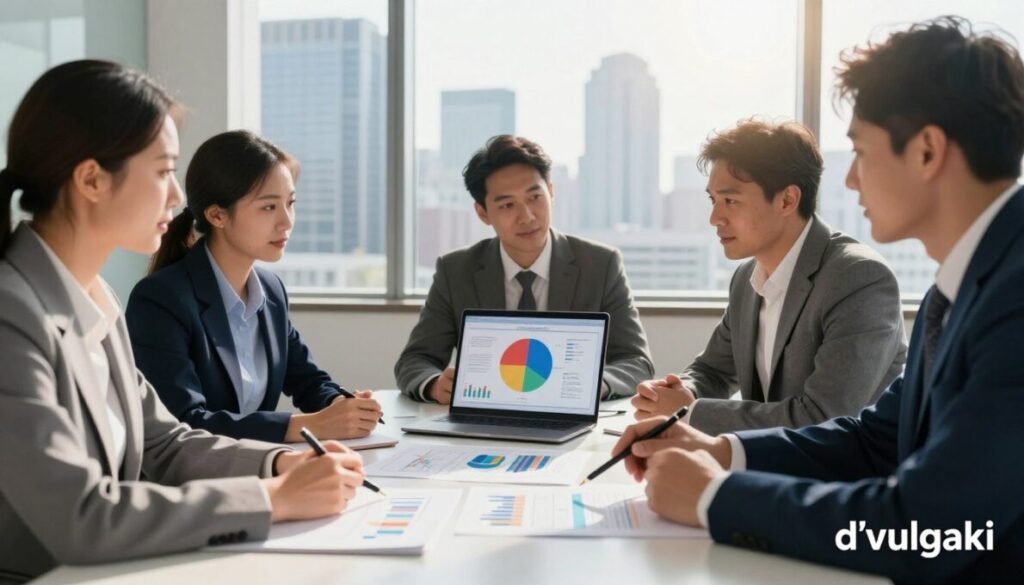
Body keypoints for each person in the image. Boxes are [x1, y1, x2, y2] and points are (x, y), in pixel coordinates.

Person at [615, 17, 1024, 582]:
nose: (851, 181)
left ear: (927, 151)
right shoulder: (953, 293)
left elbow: (931, 528)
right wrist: (721, 450)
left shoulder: (1014, 299)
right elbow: (872, 440)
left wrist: (716, 499)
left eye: (860, 151)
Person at [0, 60, 364, 581]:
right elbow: (79, 517)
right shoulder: (12, 313)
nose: (176, 198)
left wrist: (279, 464)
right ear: (91, 179)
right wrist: (272, 498)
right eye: (163, 170)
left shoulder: (96, 296)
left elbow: (165, 442)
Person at [631, 120, 907, 435]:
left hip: (844, 476)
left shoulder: (858, 278)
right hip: (769, 464)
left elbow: (824, 417)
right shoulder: (747, 279)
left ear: (787, 200)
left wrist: (691, 412)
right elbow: (714, 371)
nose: (714, 218)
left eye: (730, 201)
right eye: (713, 200)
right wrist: (677, 393)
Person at [126, 130, 382, 443]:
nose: (286, 222)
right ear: (217, 215)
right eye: (268, 207)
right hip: (192, 482)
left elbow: (308, 380)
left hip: (255, 471)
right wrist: (311, 426)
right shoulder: (161, 299)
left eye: (290, 203)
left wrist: (341, 406)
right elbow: (185, 422)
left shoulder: (270, 291)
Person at [394, 135, 654, 404]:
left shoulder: (600, 264)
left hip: (570, 417)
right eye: (507, 205)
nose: (527, 216)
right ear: (482, 212)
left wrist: (594, 385)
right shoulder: (456, 270)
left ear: (551, 192)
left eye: (535, 197)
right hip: (487, 417)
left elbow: (636, 362)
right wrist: (435, 385)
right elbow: (415, 361)